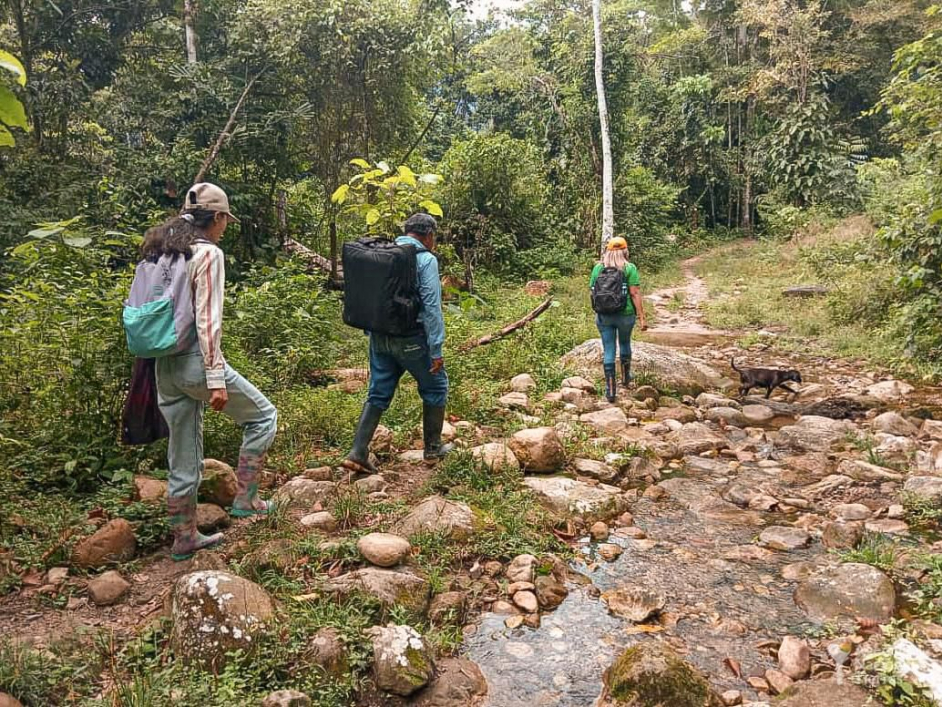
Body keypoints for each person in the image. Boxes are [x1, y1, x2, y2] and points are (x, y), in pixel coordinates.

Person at [145, 183, 278, 561]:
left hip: (164, 365)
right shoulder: (207, 254)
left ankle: (184, 538)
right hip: (195, 362)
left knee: (182, 453)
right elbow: (208, 320)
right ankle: (247, 500)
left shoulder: (162, 252)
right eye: (225, 221)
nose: (225, 228)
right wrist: (215, 377)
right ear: (217, 217)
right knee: (264, 417)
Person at [344, 213, 451, 472]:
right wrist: (436, 349)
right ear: (428, 235)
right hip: (411, 339)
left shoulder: (384, 254)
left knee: (378, 391)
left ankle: (358, 451)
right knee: (436, 386)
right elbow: (432, 307)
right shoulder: (423, 259)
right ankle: (433, 450)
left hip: (378, 336)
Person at [590, 236, 647, 402]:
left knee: (608, 349)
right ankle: (626, 378)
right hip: (626, 315)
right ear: (625, 250)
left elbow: (592, 292)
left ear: (607, 251)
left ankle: (610, 390)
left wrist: (599, 310)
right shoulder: (629, 268)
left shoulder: (598, 268)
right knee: (624, 343)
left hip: (604, 316)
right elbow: (634, 293)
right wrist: (642, 317)